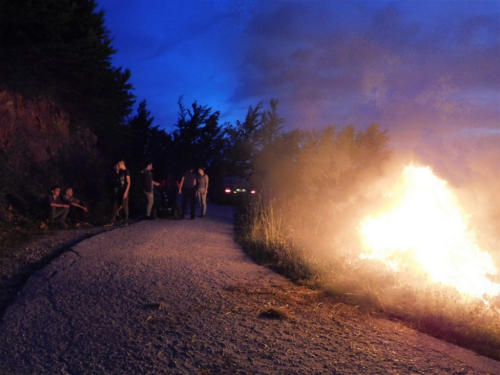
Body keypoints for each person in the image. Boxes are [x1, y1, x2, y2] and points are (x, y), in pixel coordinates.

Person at [106, 160, 130, 227]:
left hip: (124, 191)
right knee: (115, 205)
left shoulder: (127, 172)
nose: (118, 166)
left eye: (119, 165)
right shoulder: (121, 172)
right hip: (119, 191)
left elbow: (128, 183)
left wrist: (126, 192)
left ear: (122, 164)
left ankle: (125, 221)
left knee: (125, 206)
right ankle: (111, 221)